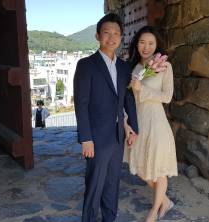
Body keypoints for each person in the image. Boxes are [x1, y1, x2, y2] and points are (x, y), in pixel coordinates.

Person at [73, 13, 138, 222]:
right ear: (98, 36)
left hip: (118, 137)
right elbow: (81, 104)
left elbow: (128, 100)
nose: (111, 38)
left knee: (112, 184)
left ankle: (109, 219)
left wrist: (133, 127)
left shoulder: (124, 67)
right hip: (97, 138)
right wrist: (86, 138)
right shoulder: (86, 65)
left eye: (116, 34)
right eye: (106, 33)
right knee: (94, 186)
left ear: (121, 37)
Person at [124, 26, 178, 222]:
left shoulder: (165, 66)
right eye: (142, 42)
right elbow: (128, 98)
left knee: (159, 170)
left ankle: (154, 212)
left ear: (157, 45)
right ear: (136, 44)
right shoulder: (134, 68)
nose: (146, 47)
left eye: (151, 43)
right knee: (139, 166)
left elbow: (167, 97)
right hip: (138, 122)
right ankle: (165, 200)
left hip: (156, 123)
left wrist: (143, 90)